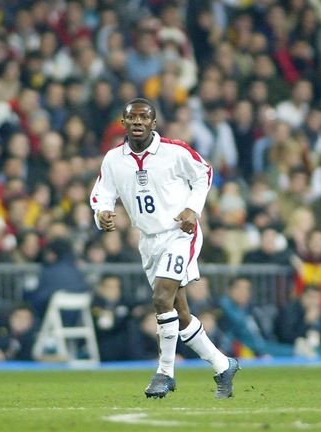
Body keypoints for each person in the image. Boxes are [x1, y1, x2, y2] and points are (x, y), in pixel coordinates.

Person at [89, 98, 239, 399]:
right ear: (123, 123)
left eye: (144, 117)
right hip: (148, 240)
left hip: (179, 233)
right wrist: (102, 212)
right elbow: (101, 193)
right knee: (179, 312)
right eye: (132, 118)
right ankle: (223, 365)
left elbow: (204, 173)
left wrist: (192, 210)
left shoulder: (174, 151)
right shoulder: (113, 159)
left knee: (160, 298)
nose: (138, 122)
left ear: (154, 123)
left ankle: (165, 373)